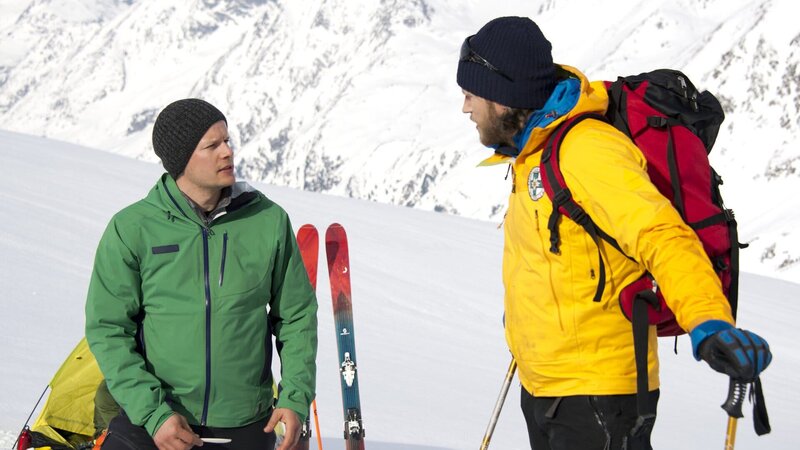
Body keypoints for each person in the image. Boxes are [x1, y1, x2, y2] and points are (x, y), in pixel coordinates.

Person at [456, 17, 772, 450]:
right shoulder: (530, 150)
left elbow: (662, 236)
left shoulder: (586, 150)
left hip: (598, 393)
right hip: (546, 386)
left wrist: (708, 320)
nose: (465, 108)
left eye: (471, 94)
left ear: (505, 94)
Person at [85, 98, 318, 450]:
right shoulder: (133, 228)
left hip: (247, 423)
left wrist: (295, 398)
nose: (228, 152)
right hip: (155, 422)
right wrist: (153, 414)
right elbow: (108, 329)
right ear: (181, 159)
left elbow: (297, 316)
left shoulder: (268, 221)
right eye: (212, 145)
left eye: (228, 141)